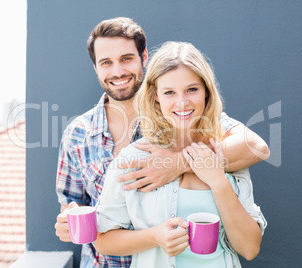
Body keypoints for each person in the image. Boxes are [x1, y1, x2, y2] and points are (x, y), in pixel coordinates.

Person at [55, 17, 269, 268]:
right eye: (106, 62)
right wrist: (67, 221)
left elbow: (257, 147)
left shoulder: (209, 132)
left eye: (126, 58)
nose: (118, 71)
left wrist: (180, 163)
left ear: (143, 57)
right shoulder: (80, 134)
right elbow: (74, 207)